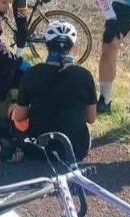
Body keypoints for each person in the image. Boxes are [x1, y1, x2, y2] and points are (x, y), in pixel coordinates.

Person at [10, 21, 97, 162]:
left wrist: (12, 109)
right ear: (72, 46)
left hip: (38, 149)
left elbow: (19, 117)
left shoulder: (33, 73)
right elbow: (91, 119)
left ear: (46, 45)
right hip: (76, 149)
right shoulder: (84, 75)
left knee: (13, 110)